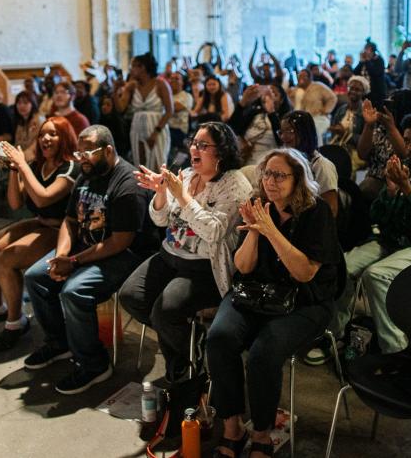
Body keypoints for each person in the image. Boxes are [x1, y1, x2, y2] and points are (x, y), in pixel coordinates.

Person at [206, 148, 344, 458]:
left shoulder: (316, 212)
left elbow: (305, 273)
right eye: (267, 174)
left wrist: (271, 230)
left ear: (299, 179)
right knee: (219, 338)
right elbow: (243, 267)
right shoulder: (259, 205)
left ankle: (262, 434)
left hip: (305, 301)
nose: (271, 181)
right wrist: (255, 234)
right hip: (256, 292)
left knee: (263, 353)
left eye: (280, 175)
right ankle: (232, 427)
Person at [22, 126, 155, 394]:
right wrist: (61, 255)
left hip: (123, 256)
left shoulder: (127, 184)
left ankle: (94, 365)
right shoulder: (87, 174)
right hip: (86, 247)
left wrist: (73, 263)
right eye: (78, 152)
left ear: (108, 150)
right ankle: (59, 343)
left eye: (87, 152)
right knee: (35, 276)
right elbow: (69, 221)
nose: (80, 157)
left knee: (74, 291)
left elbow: (120, 241)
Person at [121, 123, 251, 383]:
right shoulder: (189, 175)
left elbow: (213, 231)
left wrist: (182, 197)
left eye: (203, 145)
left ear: (221, 152)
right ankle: (187, 341)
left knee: (164, 311)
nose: (194, 148)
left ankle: (185, 364)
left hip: (205, 266)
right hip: (170, 255)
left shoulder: (234, 184)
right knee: (130, 296)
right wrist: (160, 193)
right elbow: (160, 219)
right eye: (194, 143)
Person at [327, 113, 411, 357]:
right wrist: (389, 192)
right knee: (342, 267)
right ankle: (335, 337)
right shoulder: (402, 168)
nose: (410, 147)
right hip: (392, 239)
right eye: (407, 141)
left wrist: (408, 190)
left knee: (375, 275)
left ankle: (395, 350)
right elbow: (377, 216)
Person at [0, 117, 80, 351]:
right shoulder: (37, 165)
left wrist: (23, 165)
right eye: (42, 135)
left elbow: (43, 197)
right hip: (40, 222)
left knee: (7, 258)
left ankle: (15, 322)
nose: (45, 138)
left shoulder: (70, 167)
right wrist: (14, 169)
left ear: (65, 138)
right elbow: (16, 203)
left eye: (53, 134)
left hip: (62, 228)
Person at [356, 89, 411, 202]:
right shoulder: (382, 128)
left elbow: (406, 155)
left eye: (392, 106)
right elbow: (362, 154)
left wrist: (391, 128)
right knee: (365, 189)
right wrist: (369, 125)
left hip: (409, 185)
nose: (388, 109)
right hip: (377, 180)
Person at [114, 52, 174, 172]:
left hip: (157, 128)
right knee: (141, 166)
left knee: (158, 166)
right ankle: (142, 191)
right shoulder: (132, 86)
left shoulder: (160, 84)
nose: (131, 69)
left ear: (143, 67)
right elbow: (120, 108)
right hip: (137, 127)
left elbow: (169, 111)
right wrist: (115, 90)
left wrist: (155, 133)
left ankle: (160, 191)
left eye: (134, 66)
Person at [278, 111, 338, 216]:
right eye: (281, 132)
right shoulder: (287, 163)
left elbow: (331, 210)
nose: (283, 137)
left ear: (303, 133)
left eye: (289, 131)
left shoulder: (322, 166)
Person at [230, 84, 290, 168]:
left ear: (282, 100)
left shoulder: (284, 118)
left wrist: (271, 112)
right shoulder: (255, 112)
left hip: (267, 163)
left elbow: (282, 141)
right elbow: (232, 128)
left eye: (274, 94)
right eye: (266, 93)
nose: (268, 96)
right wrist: (242, 102)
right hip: (245, 159)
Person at [328, 76, 368, 174]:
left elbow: (367, 141)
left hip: (356, 152)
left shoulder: (366, 113)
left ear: (364, 93)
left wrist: (345, 134)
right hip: (338, 147)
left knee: (345, 165)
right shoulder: (341, 110)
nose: (353, 91)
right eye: (351, 88)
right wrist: (333, 130)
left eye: (357, 89)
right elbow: (333, 130)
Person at [292, 69, 337, 144]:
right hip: (301, 120)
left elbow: (332, 97)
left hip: (318, 117)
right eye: (299, 75)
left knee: (313, 132)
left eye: (304, 76)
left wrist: (326, 110)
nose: (301, 77)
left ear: (310, 77)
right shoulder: (296, 89)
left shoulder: (318, 86)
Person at [353, 38, 387, 105]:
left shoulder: (379, 60)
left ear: (373, 51)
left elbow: (375, 73)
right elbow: (355, 73)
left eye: (367, 49)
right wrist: (361, 62)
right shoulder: (364, 61)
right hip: (363, 92)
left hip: (376, 93)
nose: (365, 51)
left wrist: (367, 61)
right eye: (365, 49)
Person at [12, 90, 42, 165]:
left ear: (33, 104)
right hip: (21, 158)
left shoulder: (38, 120)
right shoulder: (21, 121)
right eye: (19, 103)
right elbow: (17, 144)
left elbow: (34, 149)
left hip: (34, 160)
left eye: (25, 103)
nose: (22, 106)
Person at [167, 71, 194, 154]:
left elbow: (175, 108)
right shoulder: (166, 95)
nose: (174, 80)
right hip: (165, 127)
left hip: (178, 130)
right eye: (171, 78)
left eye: (177, 79)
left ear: (182, 82)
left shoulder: (187, 96)